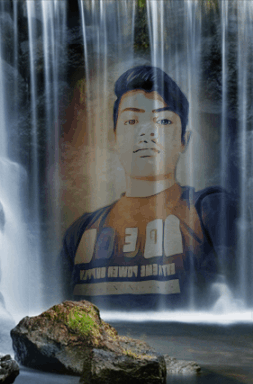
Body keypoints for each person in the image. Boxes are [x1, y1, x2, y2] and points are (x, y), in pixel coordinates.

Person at [60, 65, 239, 309]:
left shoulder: (210, 212)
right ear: (114, 138)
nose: (147, 132)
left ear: (184, 140)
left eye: (163, 121)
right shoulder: (80, 233)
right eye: (131, 121)